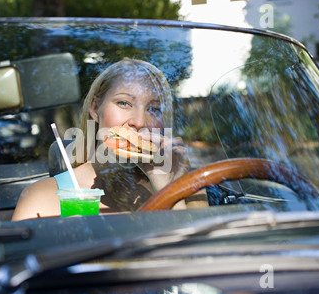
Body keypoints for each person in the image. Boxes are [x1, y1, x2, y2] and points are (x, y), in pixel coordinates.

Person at [12, 58, 196, 221]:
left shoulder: (186, 187)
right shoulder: (42, 196)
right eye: (124, 103)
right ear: (95, 109)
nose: (139, 122)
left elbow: (197, 255)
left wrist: (167, 186)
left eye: (154, 109)